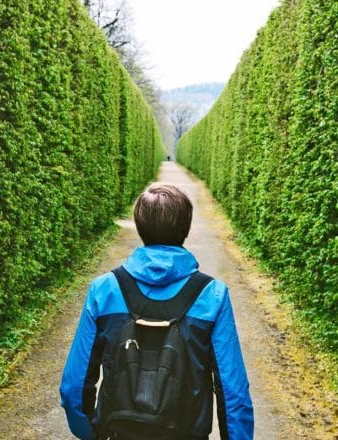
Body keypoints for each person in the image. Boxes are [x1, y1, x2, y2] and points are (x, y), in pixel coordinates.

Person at [60, 184, 254, 439]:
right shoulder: (213, 294)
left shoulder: (104, 289)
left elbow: (73, 386)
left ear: (140, 227)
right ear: (185, 228)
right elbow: (233, 392)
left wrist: (91, 433)